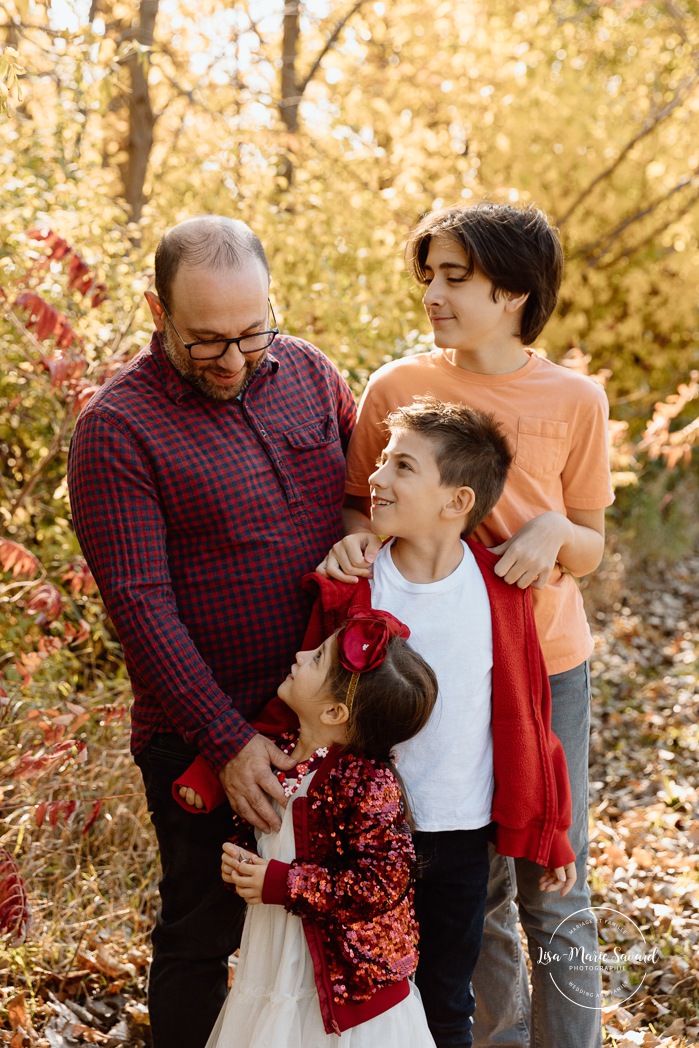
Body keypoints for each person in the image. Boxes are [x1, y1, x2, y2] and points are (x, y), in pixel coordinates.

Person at [182, 396, 577, 1048]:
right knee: (356, 994)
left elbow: (531, 720)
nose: (376, 477)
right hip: (352, 837)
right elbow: (299, 700)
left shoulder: (499, 588)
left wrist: (551, 828)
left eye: (401, 467)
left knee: (447, 994)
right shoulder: (355, 582)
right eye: (382, 461)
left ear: (455, 502)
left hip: (457, 834)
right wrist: (212, 764)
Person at [323, 203, 614, 1048]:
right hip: (429, 670)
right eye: (429, 277)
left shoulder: (575, 398)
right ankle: (496, 1038)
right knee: (467, 884)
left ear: (514, 292)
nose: (433, 295)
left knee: (553, 884)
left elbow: (591, 542)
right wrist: (351, 554)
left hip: (544, 667)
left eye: (455, 278)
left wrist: (558, 533)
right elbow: (357, 516)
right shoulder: (395, 389)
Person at [66, 215, 356, 1048]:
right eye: (205, 342)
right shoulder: (117, 429)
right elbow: (140, 606)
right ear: (156, 311)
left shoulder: (308, 372)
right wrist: (229, 743)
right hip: (202, 740)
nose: (232, 359)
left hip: (328, 723)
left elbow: (364, 503)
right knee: (201, 939)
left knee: (325, 926)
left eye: (251, 332)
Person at [203, 611, 440, 1047]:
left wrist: (283, 883)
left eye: (315, 659)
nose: (298, 654)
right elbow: (266, 827)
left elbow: (380, 883)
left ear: (334, 711)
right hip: (276, 949)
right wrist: (244, 859)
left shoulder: (366, 783)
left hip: (345, 976)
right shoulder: (282, 754)